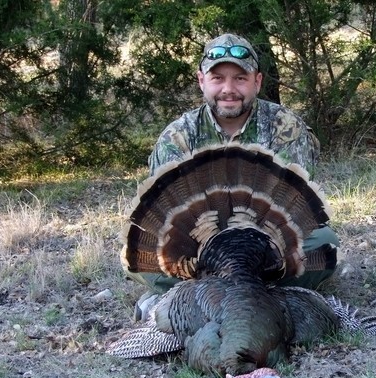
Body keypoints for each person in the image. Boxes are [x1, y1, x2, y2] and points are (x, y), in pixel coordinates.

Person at [127, 33, 339, 312]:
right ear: (201, 81)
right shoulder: (178, 136)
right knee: (144, 258)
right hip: (200, 251)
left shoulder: (285, 127)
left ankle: (192, 300)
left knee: (322, 244)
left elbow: (297, 218)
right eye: (218, 79)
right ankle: (262, 296)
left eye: (240, 78)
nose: (229, 89)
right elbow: (166, 222)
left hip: (267, 248)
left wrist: (243, 258)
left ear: (257, 82)